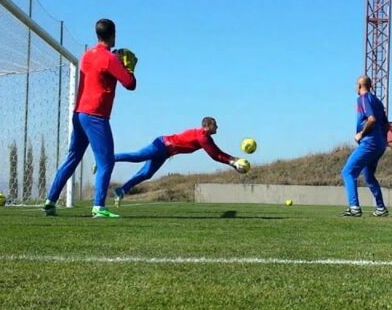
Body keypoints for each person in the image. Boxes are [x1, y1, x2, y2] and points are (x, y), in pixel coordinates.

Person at [43, 18, 137, 218]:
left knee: (72, 159)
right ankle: (98, 207)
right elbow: (130, 83)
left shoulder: (86, 55)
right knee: (106, 163)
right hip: (96, 116)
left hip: (79, 114)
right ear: (113, 34)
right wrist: (128, 67)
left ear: (97, 34)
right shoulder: (111, 59)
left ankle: (50, 201)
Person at [109, 117, 248, 205]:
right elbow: (215, 155)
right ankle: (106, 158)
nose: (217, 127)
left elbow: (216, 153)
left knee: (146, 174)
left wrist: (233, 160)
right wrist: (233, 162)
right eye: (215, 125)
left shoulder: (204, 137)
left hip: (165, 152)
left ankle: (121, 190)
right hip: (162, 145)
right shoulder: (203, 138)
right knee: (137, 157)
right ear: (208, 126)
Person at [340, 75, 389, 217]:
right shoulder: (378, 101)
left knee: (348, 171)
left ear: (360, 85)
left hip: (370, 142)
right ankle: (380, 208)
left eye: (356, 85)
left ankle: (354, 207)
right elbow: (387, 125)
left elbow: (372, 119)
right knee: (368, 176)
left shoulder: (363, 99)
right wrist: (381, 139)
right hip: (380, 143)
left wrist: (361, 134)